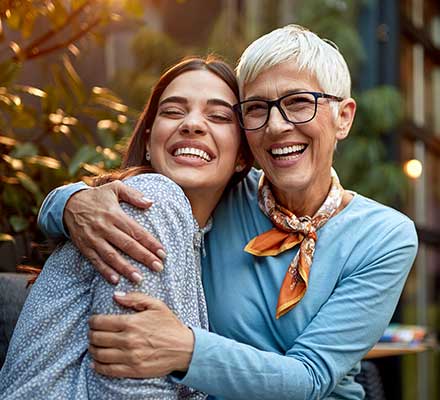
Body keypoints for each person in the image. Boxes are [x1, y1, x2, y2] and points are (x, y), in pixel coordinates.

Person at [37, 25, 418, 400]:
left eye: (299, 102)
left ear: (344, 117)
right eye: (256, 109)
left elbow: (312, 377)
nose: (277, 125)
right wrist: (68, 203)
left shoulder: (385, 236)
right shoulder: (223, 193)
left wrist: (186, 349)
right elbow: (144, 189)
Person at [0, 56, 253, 399]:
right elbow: (131, 388)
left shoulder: (207, 235)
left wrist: (63, 201)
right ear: (148, 141)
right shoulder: (152, 200)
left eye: (219, 116)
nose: (192, 124)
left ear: (242, 155)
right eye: (173, 111)